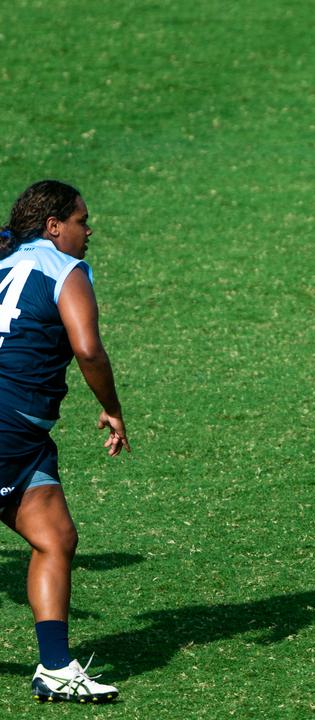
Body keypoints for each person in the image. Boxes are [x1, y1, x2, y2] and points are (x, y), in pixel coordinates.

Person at [0, 180, 128, 702]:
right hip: (8, 423)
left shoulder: (4, 263)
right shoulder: (63, 269)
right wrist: (113, 407)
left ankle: (55, 666)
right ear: (54, 226)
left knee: (55, 537)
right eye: (80, 220)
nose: (87, 229)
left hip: (24, 434)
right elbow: (89, 350)